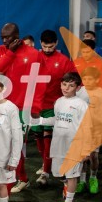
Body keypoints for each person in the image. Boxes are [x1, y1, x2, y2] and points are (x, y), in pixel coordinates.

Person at [0, 22, 48, 194]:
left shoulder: (34, 54)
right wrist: (9, 53)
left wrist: (36, 106)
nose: (5, 41)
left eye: (9, 38)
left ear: (18, 36)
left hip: (23, 107)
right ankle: (21, 178)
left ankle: (16, 178)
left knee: (13, 144)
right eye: (3, 38)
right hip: (3, 105)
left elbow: (39, 82)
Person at [34, 72, 93, 202]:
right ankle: (66, 185)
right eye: (64, 84)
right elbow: (56, 120)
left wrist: (86, 149)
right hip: (58, 143)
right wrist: (40, 121)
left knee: (72, 175)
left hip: (74, 145)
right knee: (58, 173)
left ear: (78, 88)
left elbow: (87, 127)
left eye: (71, 85)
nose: (66, 88)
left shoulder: (82, 105)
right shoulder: (59, 101)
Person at [34, 30, 75, 186]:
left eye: (51, 46)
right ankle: (46, 164)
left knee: (48, 138)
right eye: (45, 46)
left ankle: (45, 172)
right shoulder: (34, 58)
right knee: (38, 138)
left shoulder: (64, 61)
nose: (48, 49)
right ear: (40, 43)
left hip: (54, 105)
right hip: (36, 105)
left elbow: (72, 81)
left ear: (56, 43)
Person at [78, 67, 102, 195]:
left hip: (96, 130)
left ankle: (93, 178)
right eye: (84, 78)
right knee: (81, 157)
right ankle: (81, 180)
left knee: (93, 156)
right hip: (80, 129)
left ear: (97, 80)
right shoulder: (78, 92)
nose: (87, 81)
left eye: (90, 79)